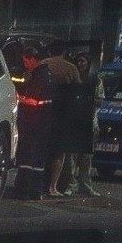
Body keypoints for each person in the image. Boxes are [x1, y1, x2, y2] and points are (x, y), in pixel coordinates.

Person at [60, 51, 104, 196]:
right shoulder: (71, 78)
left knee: (86, 158)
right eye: (78, 61)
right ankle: (71, 185)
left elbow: (100, 101)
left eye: (83, 61)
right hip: (73, 122)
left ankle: (85, 185)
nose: (80, 64)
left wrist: (87, 98)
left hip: (89, 123)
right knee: (71, 157)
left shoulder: (95, 80)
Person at [41, 43, 82, 197]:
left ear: (49, 51)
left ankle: (38, 183)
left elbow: (28, 81)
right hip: (62, 113)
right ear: (63, 52)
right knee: (59, 152)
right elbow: (78, 90)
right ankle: (53, 187)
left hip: (42, 111)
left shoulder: (42, 65)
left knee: (42, 148)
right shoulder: (70, 68)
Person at [15, 46, 53, 199]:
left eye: (26, 61)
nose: (25, 65)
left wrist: (19, 98)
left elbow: (34, 100)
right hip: (43, 122)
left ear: (32, 59)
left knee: (27, 157)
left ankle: (24, 190)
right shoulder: (46, 74)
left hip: (33, 122)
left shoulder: (39, 76)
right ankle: (35, 191)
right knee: (38, 159)